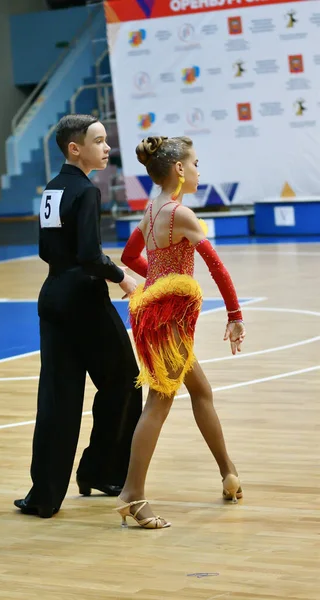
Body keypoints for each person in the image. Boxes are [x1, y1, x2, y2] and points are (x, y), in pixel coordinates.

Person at [14, 114, 142, 518]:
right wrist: (122, 276)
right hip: (84, 299)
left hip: (52, 296)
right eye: (100, 141)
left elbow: (44, 249)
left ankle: (44, 496)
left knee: (58, 397)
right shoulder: (86, 191)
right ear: (75, 148)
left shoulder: (52, 189)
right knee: (125, 381)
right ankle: (102, 471)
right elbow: (89, 254)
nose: (107, 148)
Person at [116, 136, 246, 529]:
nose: (197, 171)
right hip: (167, 320)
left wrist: (157, 279)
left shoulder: (150, 211)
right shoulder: (180, 214)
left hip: (158, 316)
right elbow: (217, 267)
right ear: (178, 170)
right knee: (159, 402)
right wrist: (235, 314)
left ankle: (229, 472)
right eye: (194, 164)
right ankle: (132, 496)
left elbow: (128, 258)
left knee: (201, 391)